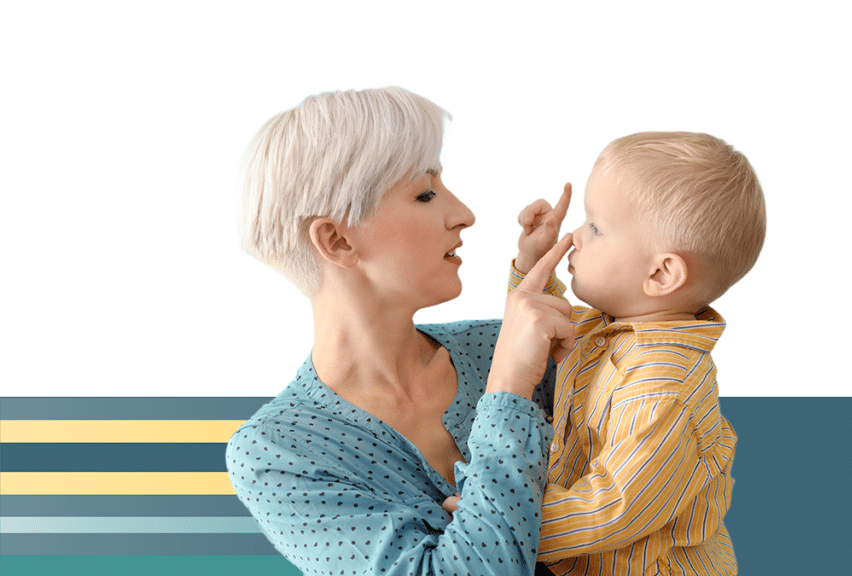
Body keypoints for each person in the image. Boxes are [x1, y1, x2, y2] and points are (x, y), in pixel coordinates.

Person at [225, 86, 577, 576]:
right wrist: (508, 390)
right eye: (425, 193)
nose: (464, 214)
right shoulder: (279, 452)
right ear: (337, 238)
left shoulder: (500, 347)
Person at [510, 132, 766, 575]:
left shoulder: (660, 389)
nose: (575, 236)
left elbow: (615, 506)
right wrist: (532, 263)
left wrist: (506, 525)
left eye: (595, 227)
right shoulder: (612, 327)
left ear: (661, 273)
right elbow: (537, 334)